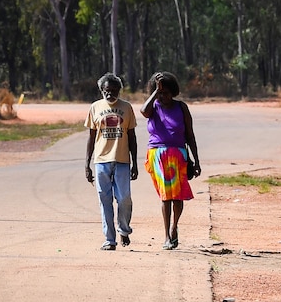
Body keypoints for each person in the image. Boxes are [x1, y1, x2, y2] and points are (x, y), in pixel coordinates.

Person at [139, 71, 201, 250]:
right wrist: (155, 93)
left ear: (173, 91)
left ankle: (175, 227)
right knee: (166, 196)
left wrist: (196, 160)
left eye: (166, 92)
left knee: (178, 196)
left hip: (179, 156)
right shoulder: (153, 107)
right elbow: (143, 111)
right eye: (160, 93)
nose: (163, 96)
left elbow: (190, 135)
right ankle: (166, 236)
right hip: (158, 155)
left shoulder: (181, 108)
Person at [85, 72, 138, 251]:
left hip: (122, 160)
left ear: (119, 91)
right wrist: (87, 164)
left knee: (124, 198)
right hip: (101, 161)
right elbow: (91, 137)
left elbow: (132, 136)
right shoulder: (95, 108)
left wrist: (135, 163)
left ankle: (124, 229)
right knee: (104, 199)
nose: (110, 94)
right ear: (101, 90)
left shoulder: (127, 108)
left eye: (114, 91)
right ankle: (109, 239)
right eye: (107, 91)